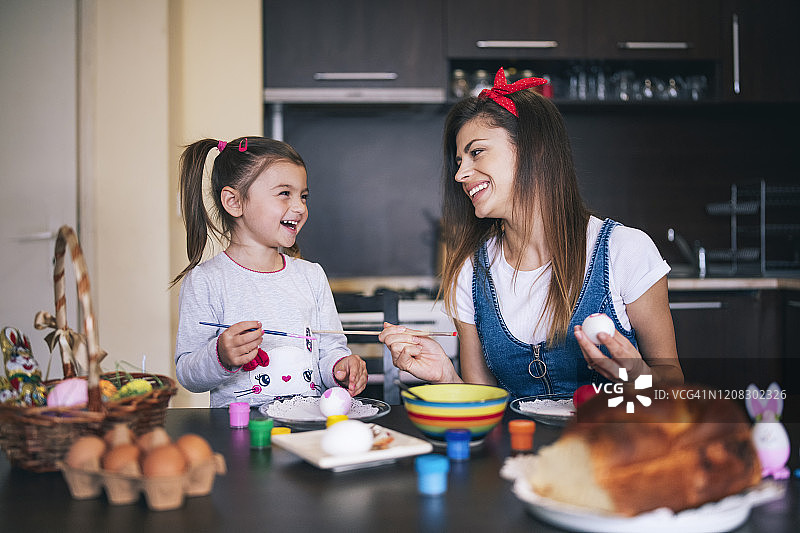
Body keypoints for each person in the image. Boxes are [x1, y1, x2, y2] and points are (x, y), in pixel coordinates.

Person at [380, 69, 683, 400]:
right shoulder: (469, 272)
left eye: (476, 152)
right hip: (521, 453)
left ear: (533, 150)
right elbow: (484, 402)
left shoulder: (625, 251)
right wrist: (445, 376)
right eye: (458, 160)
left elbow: (673, 385)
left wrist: (637, 376)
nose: (461, 174)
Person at [172, 137, 367, 408]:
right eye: (285, 193)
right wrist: (220, 355)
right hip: (239, 433)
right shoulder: (206, 281)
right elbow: (187, 374)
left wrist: (340, 367)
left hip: (306, 427)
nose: (299, 207)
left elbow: (330, 350)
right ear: (234, 202)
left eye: (303, 196)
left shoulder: (312, 276)